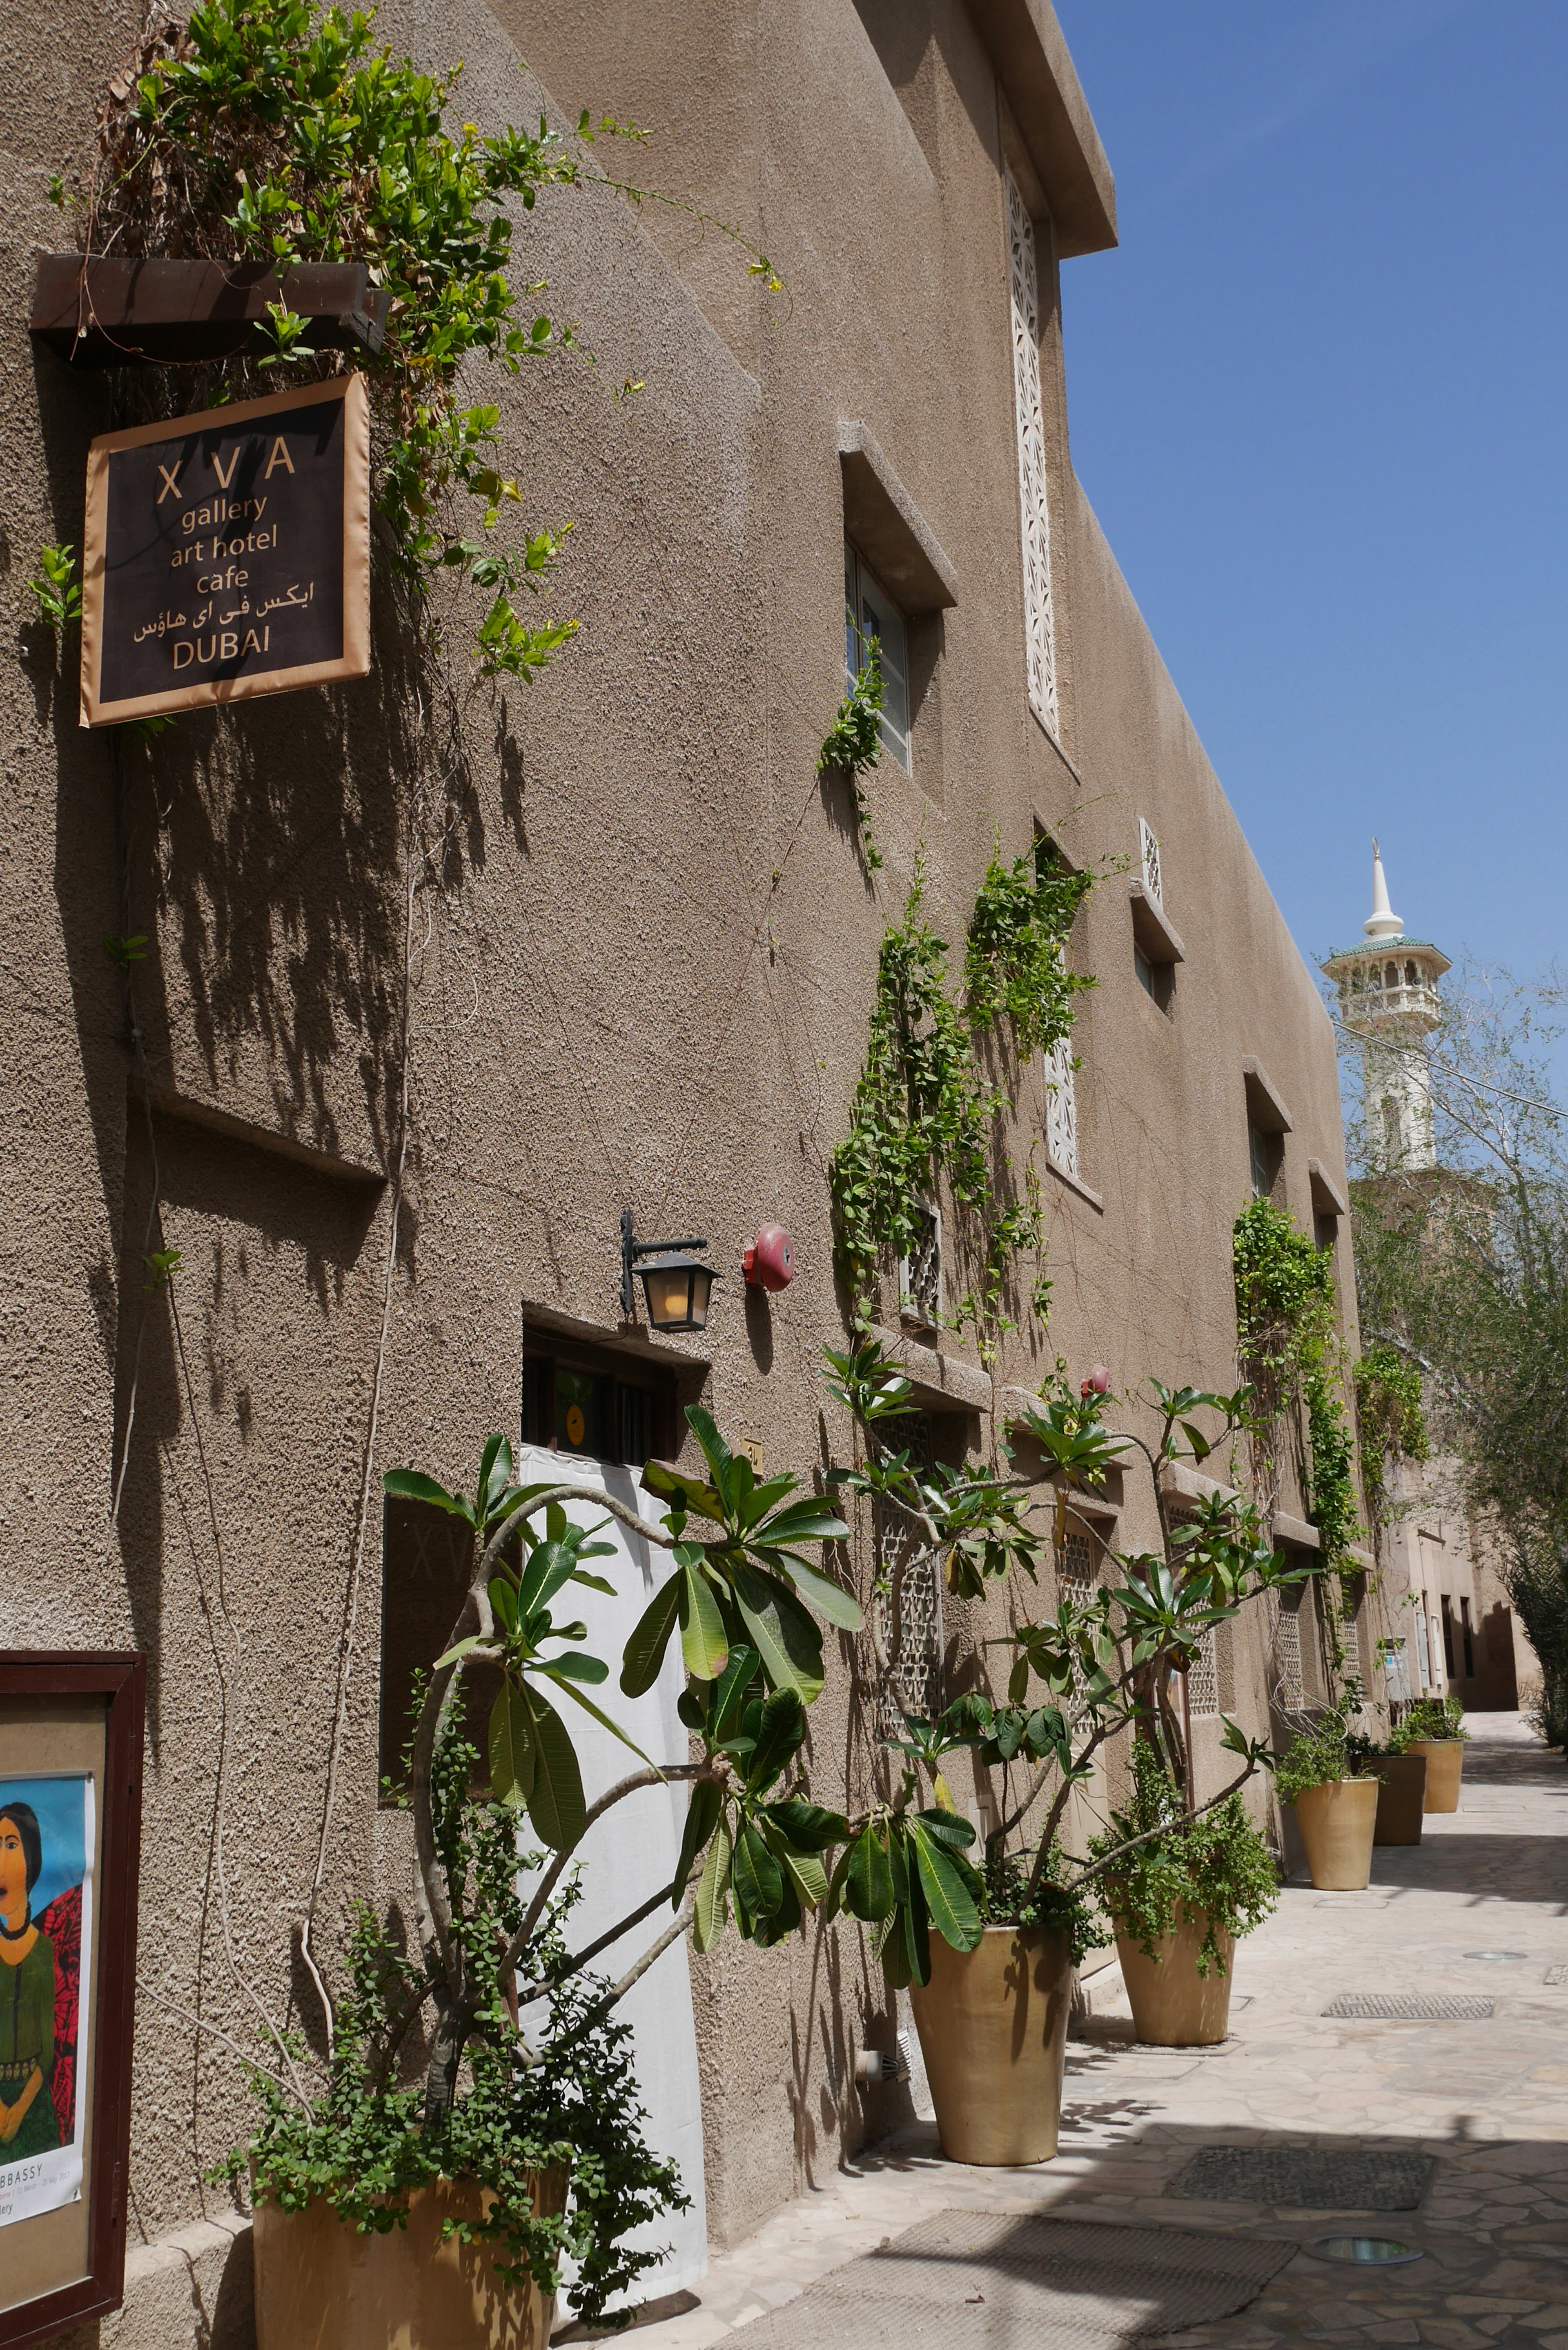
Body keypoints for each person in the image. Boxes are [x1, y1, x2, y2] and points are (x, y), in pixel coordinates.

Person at [0, 1801, 59, 2158]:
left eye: (10, 1844)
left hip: (34, 2103)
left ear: (32, 1859)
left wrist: (18, 2111)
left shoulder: (44, 1950)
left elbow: (47, 2052)